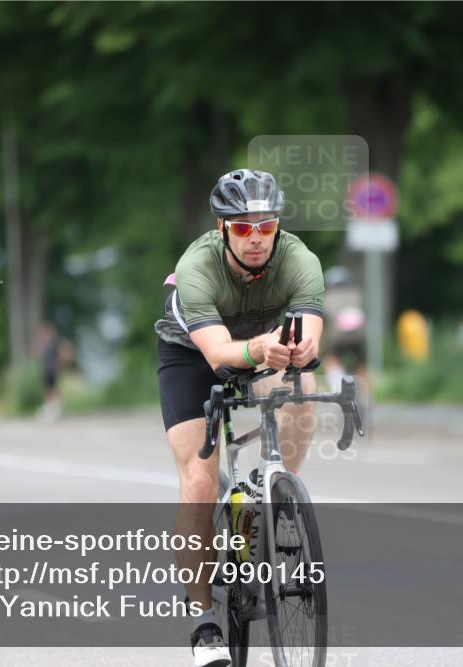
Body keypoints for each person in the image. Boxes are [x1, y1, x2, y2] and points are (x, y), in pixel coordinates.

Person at [154, 169, 323, 666]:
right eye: (243, 227)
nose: (255, 238)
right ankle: (203, 619)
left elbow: (310, 334)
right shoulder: (196, 267)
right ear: (222, 227)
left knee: (303, 388)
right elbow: (219, 355)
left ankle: (281, 496)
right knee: (200, 482)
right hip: (193, 356)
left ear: (277, 226)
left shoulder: (300, 260)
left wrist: (302, 348)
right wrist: (264, 348)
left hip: (262, 345)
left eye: (265, 227)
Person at [322, 265, 366, 391]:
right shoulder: (357, 295)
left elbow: (324, 324)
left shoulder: (327, 298)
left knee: (331, 360)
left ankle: (338, 391)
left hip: (338, 339)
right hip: (359, 337)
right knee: (361, 365)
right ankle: (367, 394)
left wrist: (322, 347)